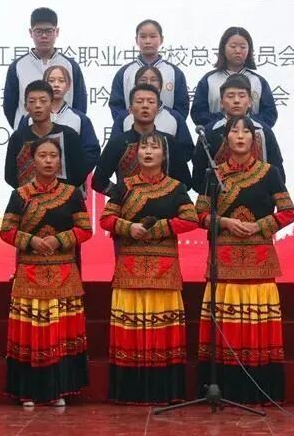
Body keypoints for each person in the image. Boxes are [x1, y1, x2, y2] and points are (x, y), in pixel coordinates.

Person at [195, 116, 294, 404]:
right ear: (226, 138)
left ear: (254, 138)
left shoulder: (269, 172)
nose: (240, 136)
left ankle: (258, 390)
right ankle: (221, 388)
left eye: (246, 131)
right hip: (224, 263)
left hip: (259, 262)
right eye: (234, 131)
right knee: (226, 328)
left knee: (256, 329)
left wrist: (259, 226)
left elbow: (288, 212)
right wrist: (224, 222)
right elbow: (199, 214)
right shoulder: (213, 174)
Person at [99, 132, 198, 404]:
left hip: (164, 271)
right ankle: (129, 392)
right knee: (130, 333)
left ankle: (164, 391)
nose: (148, 152)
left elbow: (191, 219)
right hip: (129, 270)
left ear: (164, 155)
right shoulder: (124, 186)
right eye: (144, 147)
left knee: (162, 333)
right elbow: (106, 219)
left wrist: (157, 229)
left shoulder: (176, 187)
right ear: (136, 153)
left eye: (155, 147)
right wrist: (129, 227)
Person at [0, 138, 93, 407]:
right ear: (33, 160)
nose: (49, 160)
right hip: (30, 273)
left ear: (60, 160)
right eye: (43, 155)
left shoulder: (71, 193)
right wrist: (30, 241)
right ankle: (27, 391)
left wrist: (59, 240)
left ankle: (60, 390)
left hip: (63, 273)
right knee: (30, 333)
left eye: (53, 155)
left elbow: (85, 230)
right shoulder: (20, 195)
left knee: (60, 333)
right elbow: (6, 231)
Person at [192, 74, 285, 193]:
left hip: (259, 199)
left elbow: (278, 174)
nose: (236, 101)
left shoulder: (263, 131)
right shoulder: (209, 132)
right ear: (221, 103)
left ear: (250, 102)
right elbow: (198, 177)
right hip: (219, 199)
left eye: (242, 96)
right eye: (230, 96)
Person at [93, 84, 191, 197]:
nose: (145, 106)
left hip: (166, 206)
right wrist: (121, 196)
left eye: (151, 102)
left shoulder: (169, 142)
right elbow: (98, 181)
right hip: (127, 207)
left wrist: (167, 199)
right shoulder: (118, 142)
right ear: (130, 109)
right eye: (139, 101)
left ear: (158, 109)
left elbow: (185, 182)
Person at [3, 8, 87, 129]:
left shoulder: (70, 66)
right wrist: (22, 126)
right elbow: (9, 106)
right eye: (38, 31)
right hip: (28, 133)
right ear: (30, 32)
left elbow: (80, 104)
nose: (44, 36)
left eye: (49, 31)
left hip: (65, 132)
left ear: (57, 32)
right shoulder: (17, 66)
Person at [17, 65, 100, 179]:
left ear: (68, 86)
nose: (56, 85)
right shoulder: (29, 119)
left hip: (70, 185)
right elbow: (19, 152)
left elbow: (91, 151)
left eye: (61, 81)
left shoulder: (79, 119)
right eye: (51, 81)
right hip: (34, 184)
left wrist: (75, 177)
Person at [5, 81, 88, 188]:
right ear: (26, 106)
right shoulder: (17, 138)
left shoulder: (69, 135)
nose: (38, 105)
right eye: (32, 101)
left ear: (52, 104)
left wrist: (61, 192)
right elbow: (10, 175)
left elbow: (80, 173)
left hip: (65, 195)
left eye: (43, 101)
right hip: (28, 196)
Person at [191, 27, 277, 128]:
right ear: (223, 48)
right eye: (233, 46)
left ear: (249, 50)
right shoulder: (209, 80)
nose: (238, 51)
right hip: (215, 134)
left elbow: (270, 114)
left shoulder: (258, 81)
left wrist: (247, 125)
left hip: (251, 135)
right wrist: (222, 124)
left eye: (243, 47)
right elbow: (198, 113)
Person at [109, 19, 189, 120]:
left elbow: (182, 106)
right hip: (132, 128)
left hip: (167, 128)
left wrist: (170, 124)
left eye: (153, 36)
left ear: (161, 39)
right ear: (136, 40)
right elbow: (116, 106)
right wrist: (129, 123)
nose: (148, 41)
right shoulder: (124, 73)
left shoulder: (174, 73)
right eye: (143, 37)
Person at [111, 66, 194, 154]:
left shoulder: (175, 117)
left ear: (160, 86)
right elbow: (113, 149)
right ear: (135, 85)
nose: (148, 83)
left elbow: (186, 150)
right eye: (143, 80)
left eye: (154, 80)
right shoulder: (123, 117)